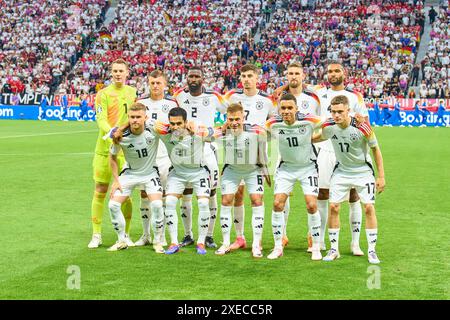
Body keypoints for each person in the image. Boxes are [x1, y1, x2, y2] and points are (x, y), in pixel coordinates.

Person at [314, 95, 385, 264]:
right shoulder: (329, 127)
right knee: (334, 207)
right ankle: (333, 249)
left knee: (368, 207)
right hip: (342, 171)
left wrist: (381, 176)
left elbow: (376, 150)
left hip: (363, 171)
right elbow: (319, 138)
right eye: (333, 112)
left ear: (348, 111)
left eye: (340, 112)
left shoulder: (362, 127)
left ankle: (372, 250)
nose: (336, 115)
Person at [312, 61, 369, 256]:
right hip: (325, 149)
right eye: (330, 71)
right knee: (322, 194)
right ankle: (318, 241)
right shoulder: (319, 95)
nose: (333, 74)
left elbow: (366, 123)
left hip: (350, 152)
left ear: (344, 73)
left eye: (337, 70)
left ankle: (355, 244)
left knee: (354, 196)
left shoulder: (355, 96)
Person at [223, 64, 277, 251]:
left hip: (257, 156)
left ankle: (258, 241)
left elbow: (274, 124)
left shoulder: (267, 101)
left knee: (256, 198)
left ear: (257, 79)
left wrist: (265, 134)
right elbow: (225, 120)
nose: (246, 79)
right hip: (235, 154)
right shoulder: (231, 97)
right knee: (237, 195)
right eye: (243, 76)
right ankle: (239, 237)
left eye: (249, 76)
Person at [173, 67, 226, 249]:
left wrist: (217, 130)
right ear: (186, 78)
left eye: (197, 76)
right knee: (186, 194)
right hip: (187, 150)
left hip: (208, 148)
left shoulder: (213, 97)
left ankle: (209, 235)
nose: (193, 79)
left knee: (210, 194)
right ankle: (188, 235)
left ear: (203, 79)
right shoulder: (179, 96)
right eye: (190, 76)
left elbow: (233, 110)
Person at [265, 94, 323, 260]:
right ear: (278, 109)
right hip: (286, 168)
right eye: (283, 108)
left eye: (290, 108)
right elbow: (261, 134)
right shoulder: (272, 123)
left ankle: (316, 246)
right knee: (277, 203)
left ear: (297, 108)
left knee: (312, 205)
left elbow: (329, 123)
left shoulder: (309, 120)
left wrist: (314, 138)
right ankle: (278, 246)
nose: (286, 111)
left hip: (308, 167)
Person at [87, 58, 137, 249]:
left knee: (125, 193)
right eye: (114, 70)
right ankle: (96, 234)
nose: (117, 74)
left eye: (121, 71)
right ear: (111, 72)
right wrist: (111, 134)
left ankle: (126, 234)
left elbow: (134, 117)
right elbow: (100, 118)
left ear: (127, 73)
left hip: (125, 149)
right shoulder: (102, 94)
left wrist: (120, 132)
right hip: (104, 149)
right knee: (100, 190)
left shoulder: (132, 93)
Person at [272, 62, 321, 249]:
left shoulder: (313, 98)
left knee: (313, 199)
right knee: (284, 196)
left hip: (308, 154)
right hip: (284, 152)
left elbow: (321, 122)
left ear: (303, 76)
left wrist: (311, 140)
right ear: (286, 76)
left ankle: (312, 236)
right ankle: (282, 235)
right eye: (290, 73)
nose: (293, 76)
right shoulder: (278, 97)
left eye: (296, 73)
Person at [157, 107, 218, 255]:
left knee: (204, 202)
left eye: (179, 123)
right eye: (172, 124)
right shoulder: (166, 135)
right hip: (177, 173)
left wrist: (200, 128)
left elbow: (215, 134)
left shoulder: (197, 133)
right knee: (170, 202)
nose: (176, 127)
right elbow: (152, 124)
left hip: (198, 172)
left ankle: (201, 242)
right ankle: (173, 242)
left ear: (185, 122)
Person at [107, 103, 164, 253]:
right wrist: (115, 180)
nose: (135, 120)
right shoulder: (120, 136)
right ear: (128, 118)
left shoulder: (153, 129)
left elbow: (171, 130)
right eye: (132, 117)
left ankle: (157, 241)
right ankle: (121, 240)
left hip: (150, 173)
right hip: (129, 174)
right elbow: (112, 157)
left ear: (145, 117)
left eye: (138, 117)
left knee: (157, 205)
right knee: (113, 205)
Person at [214, 103, 270, 258]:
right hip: (231, 170)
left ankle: (256, 244)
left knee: (256, 200)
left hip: (253, 170)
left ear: (243, 116)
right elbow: (206, 136)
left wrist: (266, 170)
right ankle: (226, 243)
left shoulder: (255, 130)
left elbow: (265, 144)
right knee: (226, 201)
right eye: (231, 119)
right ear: (227, 118)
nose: (234, 122)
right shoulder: (223, 131)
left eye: (237, 119)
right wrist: (219, 128)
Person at [135, 70, 178, 247]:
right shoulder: (140, 103)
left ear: (165, 84)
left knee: (166, 198)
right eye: (152, 82)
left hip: (165, 158)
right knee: (144, 195)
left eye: (158, 83)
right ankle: (146, 235)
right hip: (146, 158)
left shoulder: (171, 103)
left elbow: (177, 128)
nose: (155, 86)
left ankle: (163, 236)